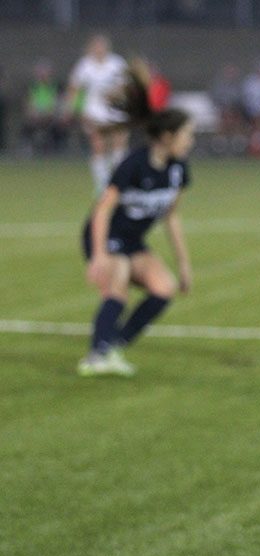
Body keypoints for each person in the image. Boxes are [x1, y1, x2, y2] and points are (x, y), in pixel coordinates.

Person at [78, 65, 195, 377]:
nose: (190, 141)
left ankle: (114, 344)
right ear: (168, 137)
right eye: (187, 135)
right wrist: (100, 255)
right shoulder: (134, 164)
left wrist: (183, 263)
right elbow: (101, 210)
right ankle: (96, 355)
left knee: (164, 288)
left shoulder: (178, 170)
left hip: (131, 241)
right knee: (117, 283)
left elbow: (171, 215)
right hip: (104, 235)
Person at [64, 34, 130, 197]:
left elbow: (126, 86)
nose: (99, 49)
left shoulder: (117, 63)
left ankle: (120, 181)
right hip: (94, 111)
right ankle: (102, 184)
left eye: (102, 46)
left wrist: (117, 94)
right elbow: (74, 88)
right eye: (96, 46)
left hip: (115, 110)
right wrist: (72, 108)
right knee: (98, 145)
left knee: (119, 144)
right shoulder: (85, 65)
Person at [21, 60, 65, 154]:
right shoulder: (32, 86)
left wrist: (52, 112)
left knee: (58, 126)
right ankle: (27, 148)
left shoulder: (56, 86)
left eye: (45, 72)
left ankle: (57, 149)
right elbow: (29, 102)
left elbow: (59, 102)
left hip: (51, 115)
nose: (43, 75)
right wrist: (33, 112)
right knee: (27, 125)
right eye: (40, 72)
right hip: (37, 115)